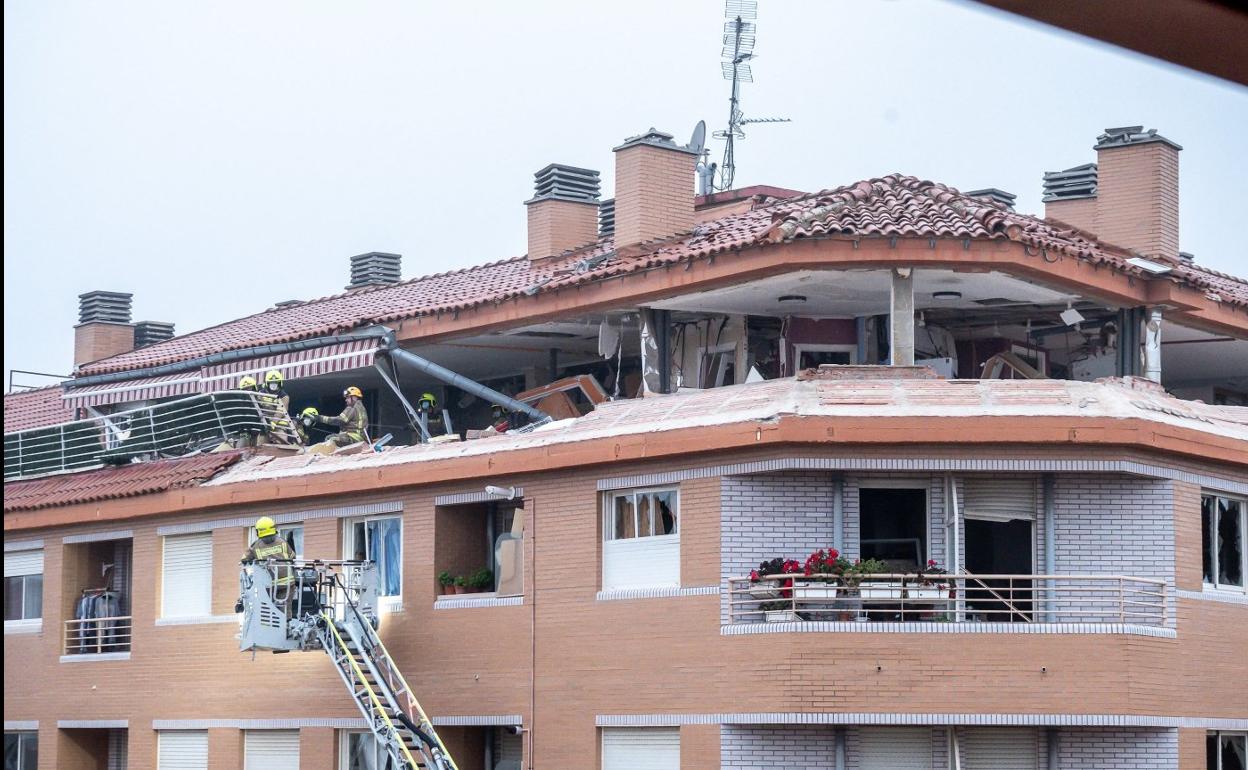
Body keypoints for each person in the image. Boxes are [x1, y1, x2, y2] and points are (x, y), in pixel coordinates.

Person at [240, 516, 295, 613]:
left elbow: (244, 558)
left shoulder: (256, 545)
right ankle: (286, 622)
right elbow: (292, 556)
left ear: (259, 531)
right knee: (285, 608)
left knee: (266, 608)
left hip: (268, 584)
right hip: (287, 582)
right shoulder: (282, 542)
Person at [260, 369, 294, 444]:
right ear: (267, 383)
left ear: (279, 383)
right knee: (260, 443)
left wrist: (273, 423)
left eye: (275, 382)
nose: (273, 385)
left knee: (282, 440)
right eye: (271, 383)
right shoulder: (260, 394)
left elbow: (280, 411)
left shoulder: (284, 396)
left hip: (279, 424)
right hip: (264, 423)